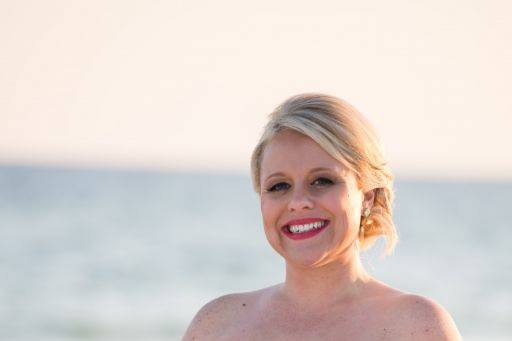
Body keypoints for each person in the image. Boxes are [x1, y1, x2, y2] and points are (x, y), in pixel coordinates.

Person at [182, 93, 462, 340]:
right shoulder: (217, 326)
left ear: (367, 194)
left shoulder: (416, 327)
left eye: (322, 181)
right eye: (279, 186)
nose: (299, 202)